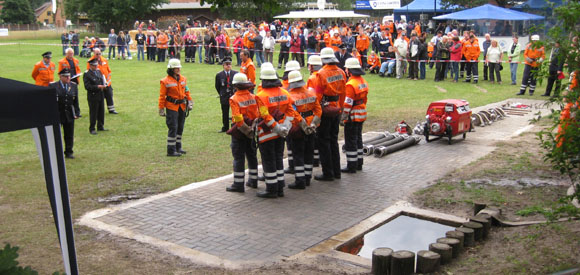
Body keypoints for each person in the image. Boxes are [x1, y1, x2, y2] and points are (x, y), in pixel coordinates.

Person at [255, 65, 302, 198]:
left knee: (269, 161)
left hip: (267, 133)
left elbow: (265, 116)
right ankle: (280, 188)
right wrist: (284, 127)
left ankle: (271, 190)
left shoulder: (261, 96)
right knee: (278, 158)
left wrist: (276, 127)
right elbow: (291, 111)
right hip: (281, 133)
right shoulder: (285, 93)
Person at [315, 47, 347, 181]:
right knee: (334, 141)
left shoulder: (321, 74)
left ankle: (328, 172)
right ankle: (336, 171)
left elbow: (317, 95)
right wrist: (341, 109)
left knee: (324, 141)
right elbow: (343, 93)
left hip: (325, 110)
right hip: (337, 109)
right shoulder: (341, 72)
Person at [286, 70, 321, 189]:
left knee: (298, 154)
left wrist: (303, 125)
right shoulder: (311, 93)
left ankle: (300, 181)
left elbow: (294, 114)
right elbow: (318, 111)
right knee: (308, 153)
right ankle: (307, 177)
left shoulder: (290, 97)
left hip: (298, 128)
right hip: (311, 127)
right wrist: (313, 125)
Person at [225, 73, 259, 192]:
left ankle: (238, 184)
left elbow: (238, 118)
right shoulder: (253, 97)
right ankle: (253, 180)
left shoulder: (234, 98)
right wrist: (251, 130)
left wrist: (245, 130)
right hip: (252, 129)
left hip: (240, 131)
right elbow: (257, 115)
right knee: (252, 155)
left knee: (239, 157)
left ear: (235, 86)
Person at [158, 59, 193, 157]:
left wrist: (190, 101)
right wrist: (161, 108)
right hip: (171, 107)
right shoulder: (165, 81)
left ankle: (178, 147)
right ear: (171, 69)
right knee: (173, 127)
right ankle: (171, 150)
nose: (178, 69)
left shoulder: (183, 79)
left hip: (182, 106)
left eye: (179, 67)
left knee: (180, 127)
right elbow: (162, 96)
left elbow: (186, 91)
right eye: (176, 68)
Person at [341, 58, 368, 173]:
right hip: (361, 112)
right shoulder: (363, 81)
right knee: (358, 139)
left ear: (349, 70)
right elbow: (365, 99)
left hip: (353, 115)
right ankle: (359, 163)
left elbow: (348, 103)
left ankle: (351, 165)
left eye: (346, 68)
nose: (345, 70)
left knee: (351, 140)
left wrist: (344, 116)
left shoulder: (350, 84)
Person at [49, 68, 80, 159]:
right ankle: (56, 152)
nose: (68, 78)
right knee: (56, 135)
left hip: (69, 113)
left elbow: (75, 101)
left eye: (69, 76)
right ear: (60, 76)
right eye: (65, 76)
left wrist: (77, 112)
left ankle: (69, 151)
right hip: (58, 113)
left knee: (69, 134)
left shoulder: (73, 86)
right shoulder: (53, 86)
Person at [89, 48, 118, 114]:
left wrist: (108, 80)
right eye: (97, 54)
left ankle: (111, 109)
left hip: (107, 82)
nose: (98, 55)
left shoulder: (104, 60)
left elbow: (109, 71)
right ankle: (99, 110)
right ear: (94, 54)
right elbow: (90, 73)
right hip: (98, 83)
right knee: (99, 97)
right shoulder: (91, 61)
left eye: (99, 53)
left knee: (109, 95)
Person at [306, 55, 323, 167]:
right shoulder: (322, 75)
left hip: (315, 109)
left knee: (315, 136)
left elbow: (312, 96)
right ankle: (319, 158)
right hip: (323, 107)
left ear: (312, 66)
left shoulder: (312, 78)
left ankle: (315, 160)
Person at [83, 59, 107, 135]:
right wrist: (97, 87)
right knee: (93, 112)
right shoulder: (87, 74)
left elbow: (102, 80)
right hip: (93, 96)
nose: (96, 66)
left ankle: (100, 126)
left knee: (101, 111)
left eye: (96, 65)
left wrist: (104, 85)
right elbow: (87, 86)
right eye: (94, 65)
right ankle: (92, 128)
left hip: (100, 94)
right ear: (90, 66)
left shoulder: (98, 71)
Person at [215, 57, 237, 133]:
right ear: (223, 65)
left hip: (234, 96)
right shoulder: (219, 75)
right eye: (226, 64)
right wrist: (221, 93)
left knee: (235, 112)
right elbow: (217, 86)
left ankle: (235, 126)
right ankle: (225, 127)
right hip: (224, 96)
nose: (228, 66)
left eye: (229, 64)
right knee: (225, 112)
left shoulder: (235, 74)